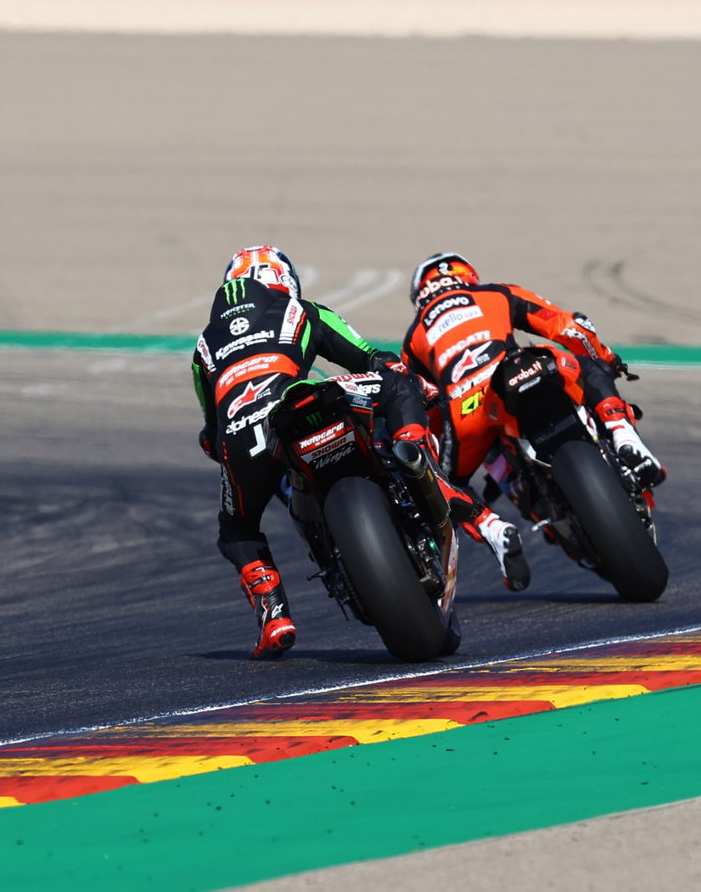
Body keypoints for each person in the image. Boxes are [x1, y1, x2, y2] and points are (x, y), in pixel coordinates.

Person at [192, 246, 492, 659]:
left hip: (244, 439)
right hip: (300, 401)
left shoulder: (205, 345)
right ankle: (429, 472)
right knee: (396, 383)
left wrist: (226, 444)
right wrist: (412, 385)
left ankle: (274, 615)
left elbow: (211, 431)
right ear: (286, 280)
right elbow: (369, 357)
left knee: (237, 530)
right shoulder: (301, 311)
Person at [401, 252, 665, 585]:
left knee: (445, 486)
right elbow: (569, 326)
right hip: (523, 367)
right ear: (468, 277)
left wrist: (439, 452)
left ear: (420, 296)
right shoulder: (495, 293)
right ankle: (623, 434)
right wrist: (607, 359)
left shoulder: (414, 337)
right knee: (588, 366)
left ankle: (493, 528)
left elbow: (424, 407)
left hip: (467, 409)